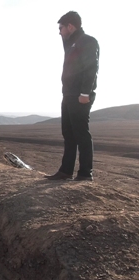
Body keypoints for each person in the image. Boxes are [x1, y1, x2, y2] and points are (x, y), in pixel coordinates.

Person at [45, 11, 99, 181]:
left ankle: (85, 173)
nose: (59, 32)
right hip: (68, 94)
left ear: (70, 26)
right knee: (68, 133)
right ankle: (65, 171)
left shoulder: (88, 41)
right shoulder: (71, 44)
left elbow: (91, 68)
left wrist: (84, 93)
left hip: (80, 95)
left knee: (81, 133)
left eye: (61, 28)